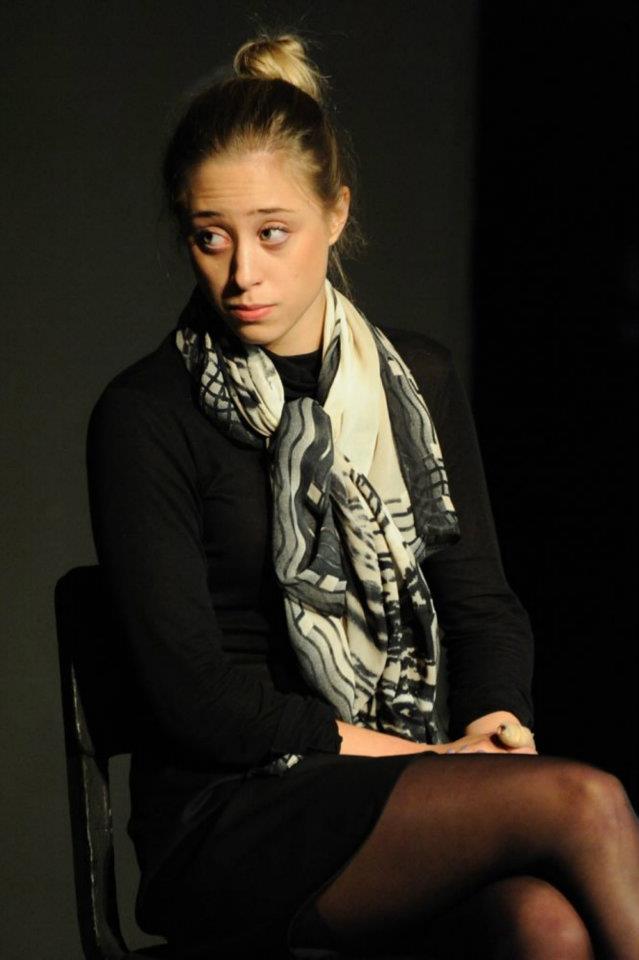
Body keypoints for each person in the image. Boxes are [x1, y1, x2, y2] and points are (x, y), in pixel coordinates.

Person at [86, 31, 639, 960]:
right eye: (210, 237)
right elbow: (197, 699)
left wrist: (492, 725)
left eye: (272, 233)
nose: (242, 273)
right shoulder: (147, 414)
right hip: (231, 815)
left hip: (400, 786)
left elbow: (479, 602)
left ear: (335, 213)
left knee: (543, 927)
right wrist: (429, 760)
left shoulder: (415, 381)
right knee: (584, 800)